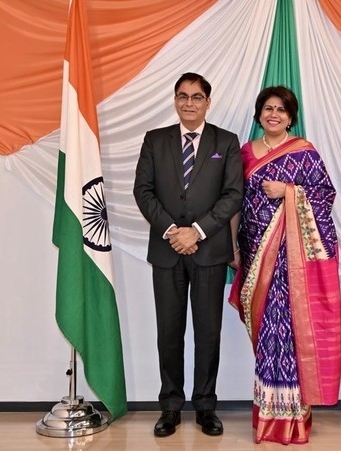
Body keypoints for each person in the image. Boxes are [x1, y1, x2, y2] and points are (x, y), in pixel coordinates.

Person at [229, 86, 341, 445]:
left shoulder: (305, 153)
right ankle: (267, 416)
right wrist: (233, 244)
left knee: (290, 335)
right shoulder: (245, 153)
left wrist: (289, 191)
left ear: (291, 117)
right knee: (266, 338)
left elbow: (325, 196)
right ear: (259, 114)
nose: (273, 114)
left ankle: (293, 420)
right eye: (267, 108)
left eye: (280, 109)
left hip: (292, 263)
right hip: (254, 254)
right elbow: (233, 201)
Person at [134, 72, 243, 437]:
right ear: (175, 100)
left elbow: (232, 195)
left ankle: (206, 407)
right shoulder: (155, 140)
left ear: (208, 102)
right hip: (166, 252)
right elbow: (143, 191)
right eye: (183, 96)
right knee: (169, 332)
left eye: (197, 97)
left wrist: (195, 232)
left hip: (208, 251)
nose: (189, 103)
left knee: (208, 333)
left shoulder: (225, 142)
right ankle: (170, 407)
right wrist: (172, 232)